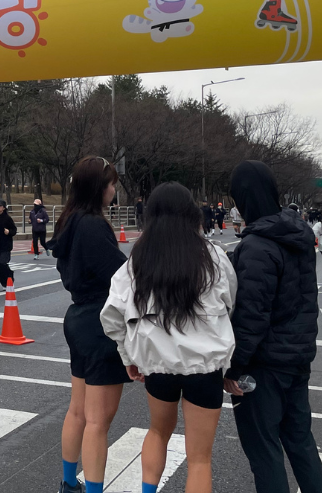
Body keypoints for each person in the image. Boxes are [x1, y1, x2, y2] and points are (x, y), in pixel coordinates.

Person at [101, 182, 237, 493]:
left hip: (157, 366)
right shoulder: (214, 257)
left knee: (158, 432)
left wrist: (129, 357)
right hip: (205, 369)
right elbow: (230, 301)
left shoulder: (137, 262)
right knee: (199, 458)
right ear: (191, 213)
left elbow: (111, 315)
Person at [225, 160, 322, 493]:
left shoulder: (257, 247)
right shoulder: (297, 236)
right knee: (300, 442)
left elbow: (251, 317)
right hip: (297, 358)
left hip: (263, 366)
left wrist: (232, 366)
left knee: (264, 451)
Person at [52, 157, 129, 493]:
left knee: (78, 411)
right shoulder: (94, 226)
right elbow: (122, 275)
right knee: (99, 421)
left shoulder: (69, 219)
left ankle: (69, 484)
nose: (114, 189)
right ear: (100, 187)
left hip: (78, 317)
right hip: (101, 322)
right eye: (111, 183)